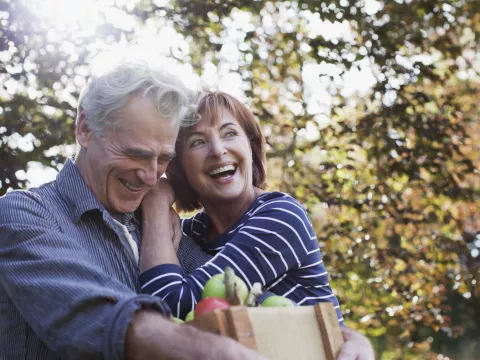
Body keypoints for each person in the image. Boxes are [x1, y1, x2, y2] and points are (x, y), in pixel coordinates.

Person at [0, 59, 267, 360]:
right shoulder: (23, 216)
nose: (152, 177)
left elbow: (238, 292)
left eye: (163, 159)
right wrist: (214, 353)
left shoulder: (158, 230)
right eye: (136, 154)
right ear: (85, 130)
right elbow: (96, 315)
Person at [138, 92, 375, 359]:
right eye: (198, 142)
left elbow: (169, 306)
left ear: (250, 147)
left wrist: (157, 206)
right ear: (180, 167)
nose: (217, 150)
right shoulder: (193, 233)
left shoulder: (281, 218)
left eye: (229, 134)